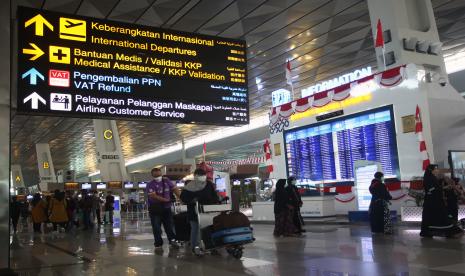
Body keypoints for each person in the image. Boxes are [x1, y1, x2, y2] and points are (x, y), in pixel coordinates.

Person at [180, 168, 219, 255]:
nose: (202, 177)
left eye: (203, 175)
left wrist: (216, 201)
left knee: (209, 228)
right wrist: (192, 200)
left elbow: (214, 196)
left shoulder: (208, 184)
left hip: (208, 211)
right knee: (195, 229)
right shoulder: (189, 186)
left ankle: (210, 245)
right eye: (200, 176)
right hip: (194, 211)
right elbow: (183, 198)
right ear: (195, 176)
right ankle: (195, 247)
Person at [420, 164, 462, 238]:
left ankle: (449, 231)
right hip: (431, 203)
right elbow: (432, 190)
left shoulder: (433, 178)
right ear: (431, 170)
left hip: (436, 202)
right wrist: (444, 187)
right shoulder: (428, 178)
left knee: (440, 216)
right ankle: (429, 231)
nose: (437, 170)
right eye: (435, 169)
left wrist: (444, 188)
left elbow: (437, 189)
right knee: (436, 217)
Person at [146, 167, 181, 249]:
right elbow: (153, 196)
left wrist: (181, 198)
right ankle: (158, 243)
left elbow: (175, 189)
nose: (158, 176)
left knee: (169, 226)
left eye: (159, 174)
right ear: (152, 176)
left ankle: (172, 240)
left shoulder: (166, 181)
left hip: (167, 208)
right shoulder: (150, 184)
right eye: (156, 175)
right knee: (156, 227)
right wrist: (166, 200)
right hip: (155, 209)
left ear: (161, 174)